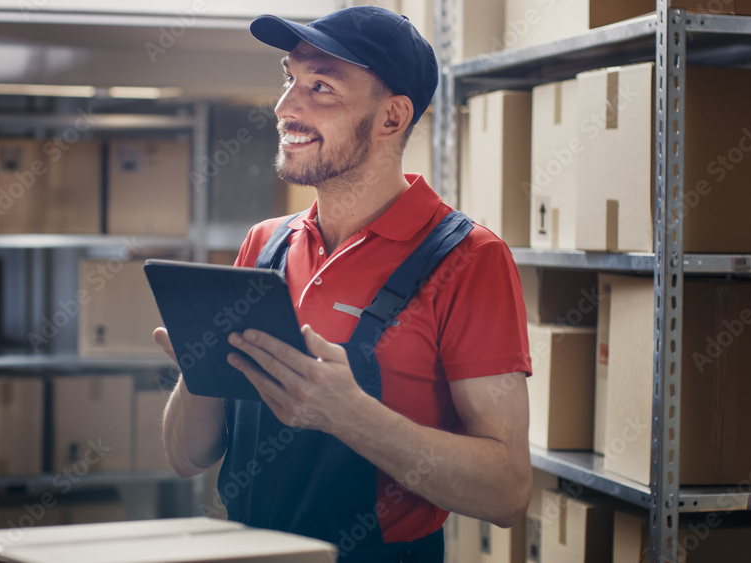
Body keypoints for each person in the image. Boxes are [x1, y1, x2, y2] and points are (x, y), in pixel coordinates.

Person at [156, 6, 532, 561]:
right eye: (289, 79)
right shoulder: (265, 246)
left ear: (391, 117)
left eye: (321, 87)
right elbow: (187, 457)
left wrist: (350, 415)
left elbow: (507, 492)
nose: (286, 107)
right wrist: (199, 369)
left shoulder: (470, 259)